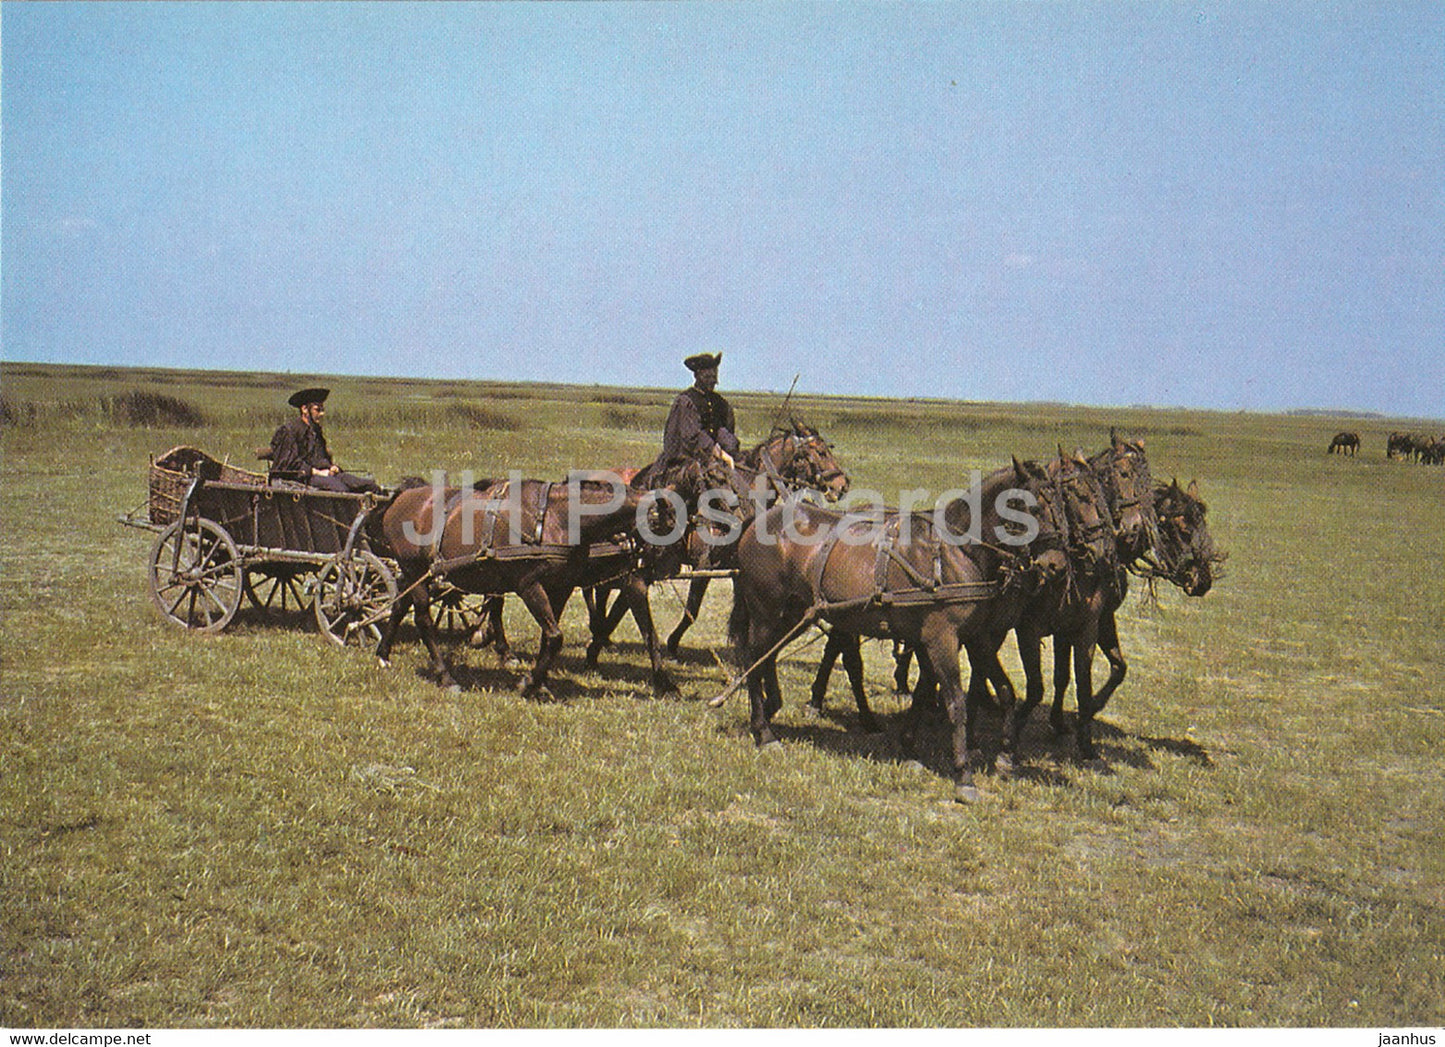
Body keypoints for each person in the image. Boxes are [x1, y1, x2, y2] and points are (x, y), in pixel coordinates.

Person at [639, 352, 741, 490]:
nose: (712, 381)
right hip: (686, 459)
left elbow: (721, 429)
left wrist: (731, 448)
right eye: (707, 377)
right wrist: (717, 452)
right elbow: (692, 436)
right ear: (697, 376)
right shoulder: (686, 401)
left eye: (714, 377)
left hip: (712, 458)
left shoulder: (719, 402)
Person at [268, 387, 382, 493]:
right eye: (317, 410)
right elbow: (288, 463)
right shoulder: (289, 431)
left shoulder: (315, 431)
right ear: (304, 409)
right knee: (341, 489)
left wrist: (331, 467)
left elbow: (319, 458)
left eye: (322, 409)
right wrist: (316, 472)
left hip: (320, 475)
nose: (322, 414)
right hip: (301, 477)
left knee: (368, 485)